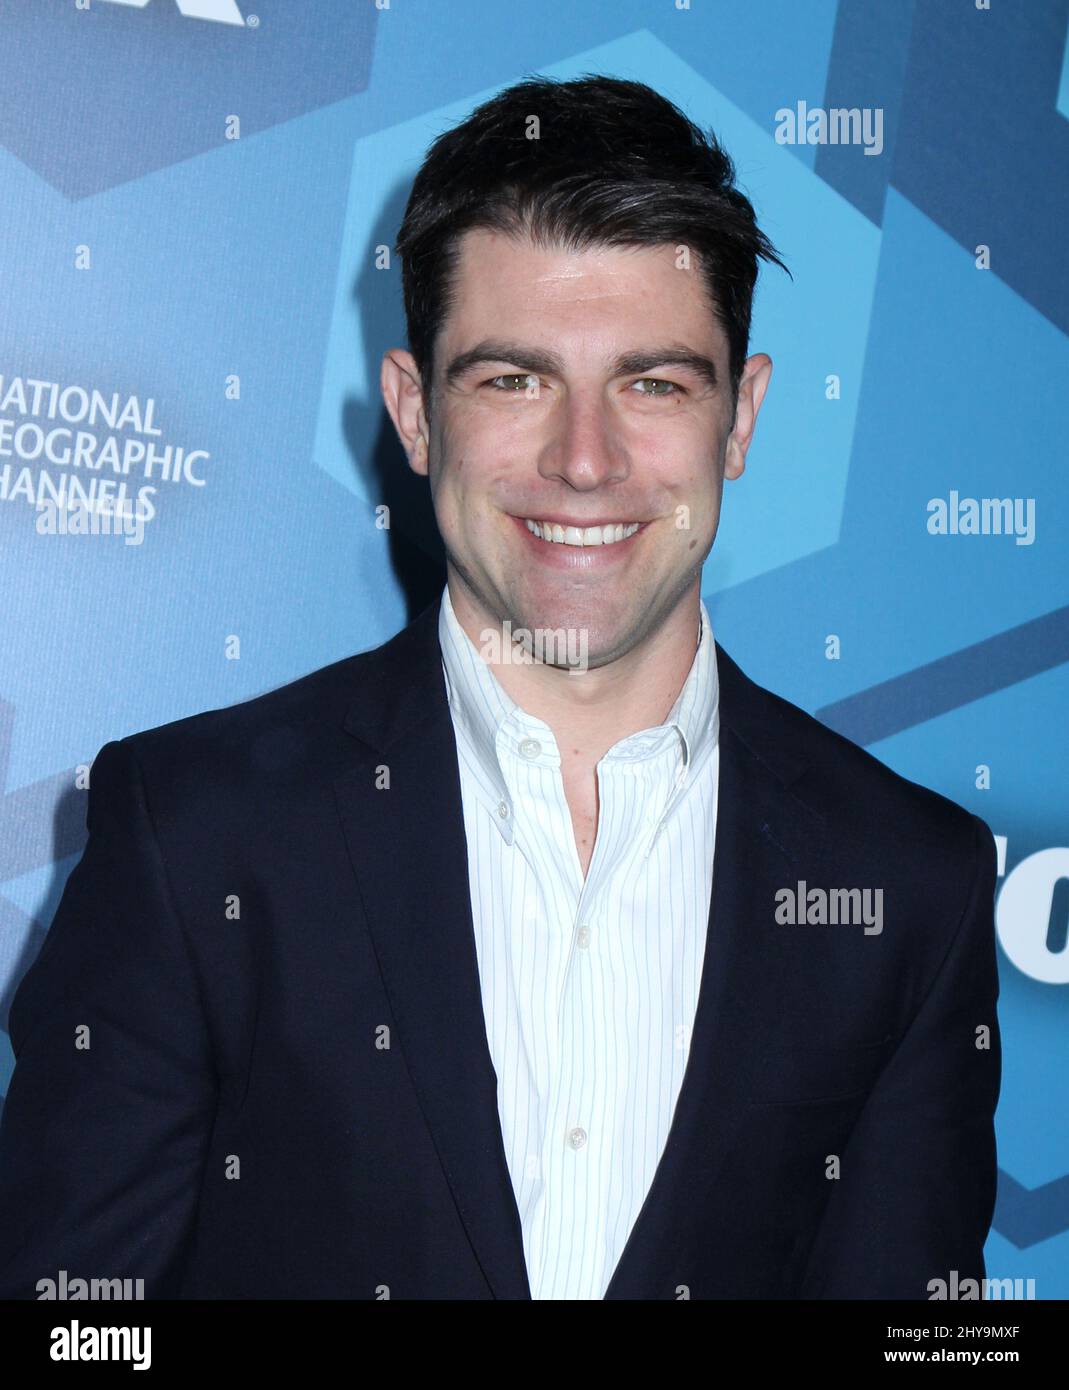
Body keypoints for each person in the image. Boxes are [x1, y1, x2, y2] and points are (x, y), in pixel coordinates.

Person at [0, 74, 1000, 1300]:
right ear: (416, 415)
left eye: (655, 383)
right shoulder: (196, 832)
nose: (584, 461)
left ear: (740, 418)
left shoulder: (908, 884)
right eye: (513, 380)